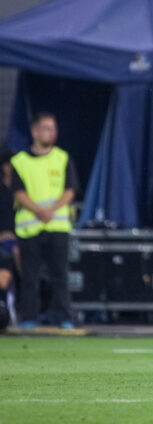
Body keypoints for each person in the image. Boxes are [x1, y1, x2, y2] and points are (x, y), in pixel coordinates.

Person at [11, 113, 78, 329]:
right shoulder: (19, 161)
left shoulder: (62, 158)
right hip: (29, 228)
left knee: (60, 275)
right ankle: (29, 318)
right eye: (47, 128)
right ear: (35, 131)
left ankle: (64, 318)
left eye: (53, 128)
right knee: (29, 275)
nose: (52, 132)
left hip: (57, 226)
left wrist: (50, 211)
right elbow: (18, 192)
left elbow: (70, 190)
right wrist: (39, 210)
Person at [0, 150, 19, 330]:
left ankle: (14, 303)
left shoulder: (19, 189)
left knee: (17, 254)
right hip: (4, 242)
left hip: (19, 239)